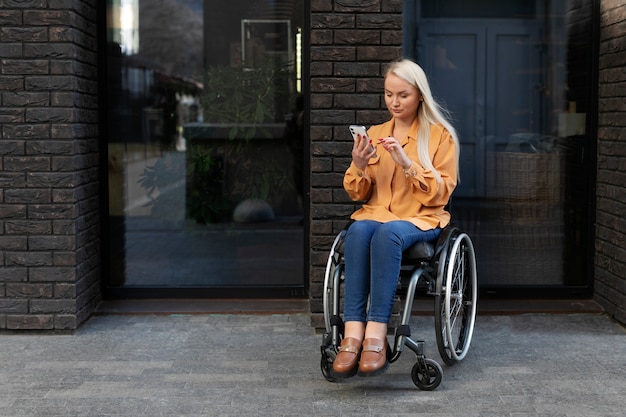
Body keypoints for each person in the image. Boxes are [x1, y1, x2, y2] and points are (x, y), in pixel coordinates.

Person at [332, 58, 460, 378]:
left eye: (402, 95)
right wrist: (359, 164)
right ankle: (352, 333)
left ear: (419, 95)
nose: (394, 102)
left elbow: (440, 194)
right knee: (360, 230)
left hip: (420, 218)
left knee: (387, 233)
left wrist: (407, 163)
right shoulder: (375, 133)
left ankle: (376, 334)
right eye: (389, 94)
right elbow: (358, 193)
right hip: (377, 215)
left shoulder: (440, 137)